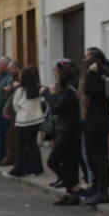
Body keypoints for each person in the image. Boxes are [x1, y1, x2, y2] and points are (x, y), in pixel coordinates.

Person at [78, 48, 109, 205]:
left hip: (99, 122)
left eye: (88, 58)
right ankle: (95, 187)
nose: (85, 61)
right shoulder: (99, 75)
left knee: (100, 158)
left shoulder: (103, 76)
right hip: (91, 121)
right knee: (92, 158)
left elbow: (91, 90)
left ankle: (103, 191)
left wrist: (93, 73)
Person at [47, 61, 87, 205]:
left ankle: (74, 187)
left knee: (53, 161)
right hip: (65, 128)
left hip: (69, 129)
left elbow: (57, 108)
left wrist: (49, 94)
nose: (56, 76)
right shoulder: (66, 88)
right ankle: (70, 192)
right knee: (68, 162)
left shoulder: (70, 88)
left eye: (57, 73)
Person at [10, 65, 45, 177]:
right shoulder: (38, 88)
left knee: (20, 145)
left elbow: (15, 105)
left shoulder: (20, 90)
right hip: (36, 120)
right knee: (32, 145)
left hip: (24, 121)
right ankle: (36, 168)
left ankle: (19, 169)